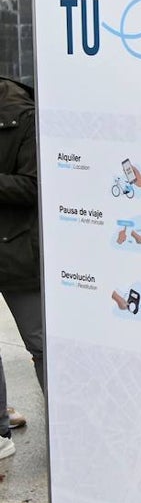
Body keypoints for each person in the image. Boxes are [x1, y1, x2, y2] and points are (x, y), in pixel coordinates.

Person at [0, 78, 44, 461]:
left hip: (17, 248)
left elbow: (33, 186)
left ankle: (69, 430)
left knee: (40, 343)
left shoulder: (21, 114)